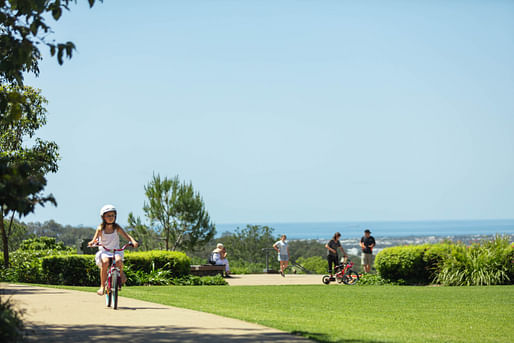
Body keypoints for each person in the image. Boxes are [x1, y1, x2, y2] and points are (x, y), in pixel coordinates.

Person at [88, 204, 138, 295]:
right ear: (103, 217)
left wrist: (133, 241)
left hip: (116, 251)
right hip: (104, 251)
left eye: (113, 215)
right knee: (105, 262)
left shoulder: (117, 227)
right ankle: (102, 286)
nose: (111, 217)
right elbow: (95, 239)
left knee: (119, 261)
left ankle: (121, 274)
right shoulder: (100, 228)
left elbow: (127, 236)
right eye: (108, 216)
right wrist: (92, 243)